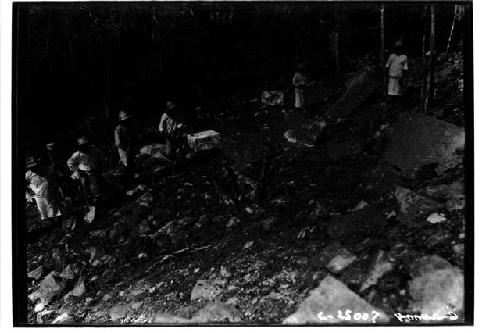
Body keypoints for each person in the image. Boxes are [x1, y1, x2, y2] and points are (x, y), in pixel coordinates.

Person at [66, 136, 107, 206]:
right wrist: (76, 169)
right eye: (82, 145)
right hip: (84, 173)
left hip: (96, 171)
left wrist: (102, 166)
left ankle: (102, 201)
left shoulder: (95, 150)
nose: (84, 147)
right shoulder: (77, 154)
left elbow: (102, 156)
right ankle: (89, 203)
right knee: (86, 189)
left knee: (100, 186)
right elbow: (69, 162)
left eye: (85, 145)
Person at [25, 155, 62, 222]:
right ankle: (50, 220)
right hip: (39, 196)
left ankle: (57, 219)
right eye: (31, 167)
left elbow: (54, 175)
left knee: (54, 208)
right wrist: (28, 195)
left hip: (50, 192)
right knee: (43, 209)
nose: (33, 168)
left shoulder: (45, 169)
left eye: (35, 166)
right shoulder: (27, 175)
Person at [114, 110, 136, 186]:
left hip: (130, 147)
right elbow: (118, 143)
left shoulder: (130, 126)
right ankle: (126, 182)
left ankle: (132, 180)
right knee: (125, 164)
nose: (126, 122)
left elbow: (133, 137)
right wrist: (125, 149)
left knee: (131, 163)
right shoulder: (118, 129)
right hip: (123, 149)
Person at [385, 41, 408, 109]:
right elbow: (387, 66)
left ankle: (397, 105)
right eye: (397, 48)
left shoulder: (404, 57)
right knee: (391, 91)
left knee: (398, 91)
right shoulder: (391, 56)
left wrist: (403, 77)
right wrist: (386, 76)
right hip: (391, 76)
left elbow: (405, 68)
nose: (398, 50)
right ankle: (392, 105)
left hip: (399, 77)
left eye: (399, 48)